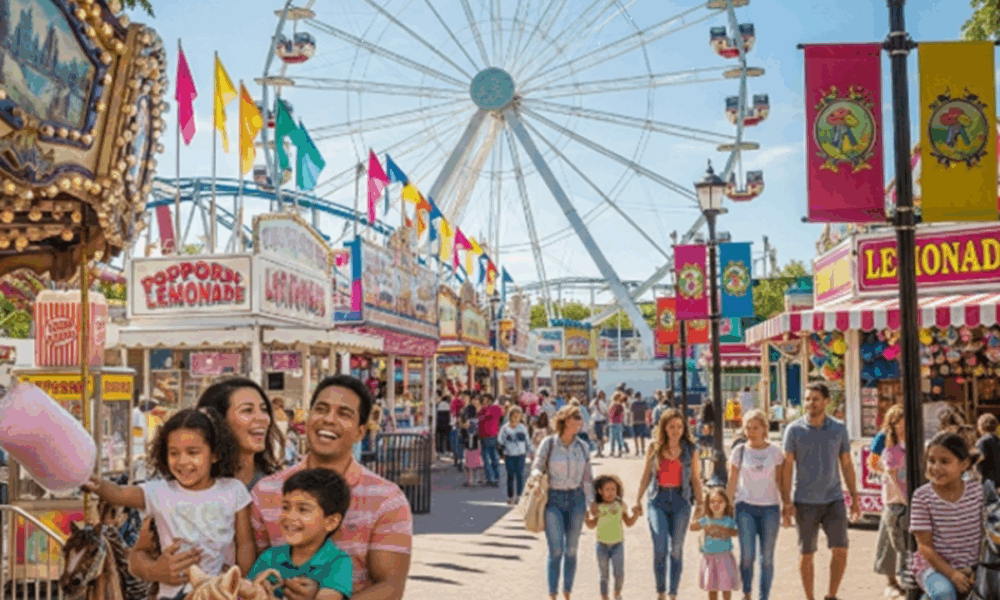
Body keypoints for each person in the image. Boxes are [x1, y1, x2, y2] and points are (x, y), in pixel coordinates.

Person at [251, 375, 412, 600]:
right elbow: (254, 574)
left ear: (360, 432)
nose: (328, 419)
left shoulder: (387, 500)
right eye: (321, 409)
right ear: (308, 418)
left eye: (344, 414)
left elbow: (390, 588)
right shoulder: (266, 492)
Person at [85, 408, 254, 600]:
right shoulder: (159, 492)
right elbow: (120, 494)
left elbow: (245, 544)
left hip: (219, 592)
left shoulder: (233, 490)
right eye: (174, 453)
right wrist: (95, 483)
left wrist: (242, 583)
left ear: (215, 454)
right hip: (173, 594)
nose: (182, 461)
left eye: (192, 452)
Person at [128, 379, 284, 587]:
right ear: (217, 423)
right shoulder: (178, 487)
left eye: (264, 410)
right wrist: (155, 570)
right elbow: (138, 555)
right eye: (247, 410)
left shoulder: (278, 487)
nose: (262, 418)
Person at [780, 383, 861, 600]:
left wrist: (854, 496)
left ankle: (831, 595)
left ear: (826, 401)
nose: (810, 403)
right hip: (804, 501)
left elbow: (846, 463)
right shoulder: (793, 430)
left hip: (834, 499)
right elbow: (786, 468)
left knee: (841, 549)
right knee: (806, 553)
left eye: (815, 399)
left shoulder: (839, 429)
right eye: (807, 399)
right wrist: (786, 501)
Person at [910, 431, 998, 600]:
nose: (936, 467)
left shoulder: (978, 492)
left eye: (944, 461)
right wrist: (953, 574)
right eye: (931, 461)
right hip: (935, 567)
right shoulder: (922, 497)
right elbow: (925, 547)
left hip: (975, 565)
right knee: (943, 593)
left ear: (964, 464)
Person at [247, 469, 353, 600]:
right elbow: (244, 594)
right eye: (286, 507)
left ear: (331, 522)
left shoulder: (338, 562)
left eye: (303, 509)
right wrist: (255, 588)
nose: (290, 516)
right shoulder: (269, 557)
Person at [637, 408, 704, 600]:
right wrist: (638, 499)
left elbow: (695, 479)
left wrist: (700, 505)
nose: (676, 431)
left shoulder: (690, 449)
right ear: (664, 428)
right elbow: (646, 475)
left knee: (676, 549)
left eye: (679, 427)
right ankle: (661, 591)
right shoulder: (654, 447)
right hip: (657, 500)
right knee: (660, 547)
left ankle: (673, 593)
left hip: (681, 500)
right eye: (671, 427)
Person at [532, 405, 594, 600]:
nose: (580, 422)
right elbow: (537, 465)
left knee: (571, 550)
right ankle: (552, 594)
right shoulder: (549, 443)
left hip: (577, 500)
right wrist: (536, 479)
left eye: (580, 419)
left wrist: (591, 504)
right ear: (565, 421)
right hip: (554, 500)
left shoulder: (583, 446)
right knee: (556, 550)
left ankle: (567, 592)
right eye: (576, 418)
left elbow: (587, 478)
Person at [726, 409, 783, 600]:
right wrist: (727, 507)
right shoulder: (739, 451)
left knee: (767, 558)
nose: (751, 432)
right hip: (745, 507)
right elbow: (732, 481)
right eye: (748, 428)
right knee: (747, 556)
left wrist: (787, 504)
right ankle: (747, 592)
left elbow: (781, 480)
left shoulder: (775, 452)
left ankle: (763, 596)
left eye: (756, 428)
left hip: (770, 508)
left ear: (765, 428)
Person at [584, 474, 641, 600]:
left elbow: (629, 523)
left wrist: (636, 514)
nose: (610, 493)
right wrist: (586, 519)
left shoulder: (621, 505)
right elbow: (592, 525)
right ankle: (604, 596)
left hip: (618, 545)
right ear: (600, 491)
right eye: (607, 490)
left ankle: (617, 593)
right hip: (601, 546)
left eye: (613, 489)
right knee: (603, 575)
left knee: (619, 573)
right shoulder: (597, 507)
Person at [873, 405, 907, 598]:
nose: (900, 426)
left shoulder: (911, 439)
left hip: (905, 494)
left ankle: (904, 580)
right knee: (890, 540)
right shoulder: (884, 440)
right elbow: (873, 462)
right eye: (897, 423)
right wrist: (886, 470)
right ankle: (892, 581)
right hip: (895, 497)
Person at [691, 487, 739, 600]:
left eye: (720, 502)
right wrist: (698, 511)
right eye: (712, 502)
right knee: (712, 588)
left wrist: (722, 530)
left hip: (725, 557)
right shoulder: (706, 519)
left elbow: (736, 532)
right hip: (709, 558)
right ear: (708, 504)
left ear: (726, 503)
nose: (716, 505)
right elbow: (692, 527)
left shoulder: (728, 520)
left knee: (726, 587)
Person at [499, 406, 532, 503]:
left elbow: (527, 440)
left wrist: (529, 451)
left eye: (518, 416)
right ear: (510, 416)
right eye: (514, 416)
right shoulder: (505, 428)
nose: (516, 418)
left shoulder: (522, 427)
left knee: (519, 475)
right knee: (510, 476)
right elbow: (500, 441)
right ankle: (510, 496)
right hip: (509, 455)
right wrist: (502, 453)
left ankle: (519, 496)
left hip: (520, 454)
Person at [478, 394, 504, 488]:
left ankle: (494, 478)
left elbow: (500, 416)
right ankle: (491, 479)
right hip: (484, 436)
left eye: (486, 400)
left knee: (492, 458)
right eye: (483, 400)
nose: (485, 402)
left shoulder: (495, 408)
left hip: (491, 435)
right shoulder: (482, 410)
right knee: (488, 459)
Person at [975, 413, 1000, 490]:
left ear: (981, 426)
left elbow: (977, 460)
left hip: (987, 483)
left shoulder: (982, 442)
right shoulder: (997, 440)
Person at [461, 414, 483, 486]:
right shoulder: (465, 431)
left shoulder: (474, 433)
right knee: (469, 466)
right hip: (470, 449)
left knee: (475, 466)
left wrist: (479, 449)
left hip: (473, 450)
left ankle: (474, 480)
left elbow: (478, 441)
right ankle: (471, 480)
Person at [631, 392, 650, 457]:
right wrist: (647, 420)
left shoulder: (633, 403)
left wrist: (631, 421)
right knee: (642, 437)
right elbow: (647, 411)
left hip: (635, 421)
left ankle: (637, 451)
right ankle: (643, 450)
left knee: (635, 437)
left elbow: (631, 413)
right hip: (642, 421)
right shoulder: (644, 402)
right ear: (640, 396)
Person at [592, 391, 609, 458]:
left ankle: (599, 451)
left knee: (598, 437)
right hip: (601, 421)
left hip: (595, 420)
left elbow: (591, 408)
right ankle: (600, 452)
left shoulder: (594, 401)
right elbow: (606, 411)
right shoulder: (602, 402)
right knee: (600, 437)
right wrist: (605, 415)